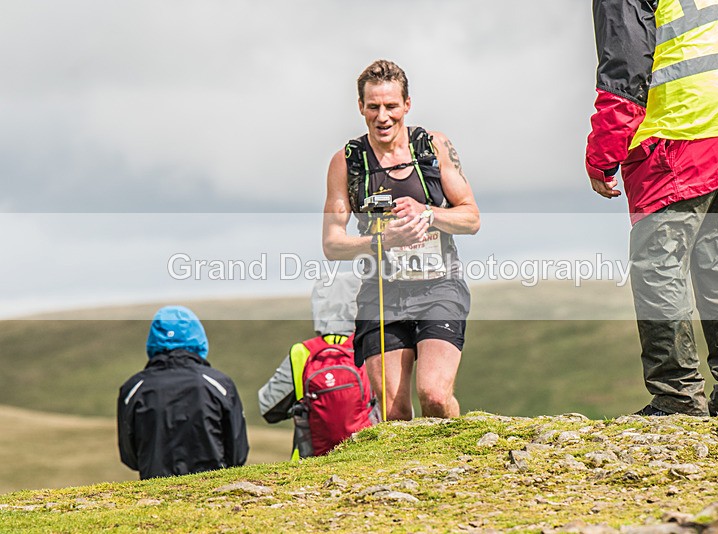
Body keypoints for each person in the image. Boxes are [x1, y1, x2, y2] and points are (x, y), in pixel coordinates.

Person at [586, 0, 718, 416]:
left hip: (680, 128)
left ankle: (677, 399)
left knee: (659, 268)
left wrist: (602, 154)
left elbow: (624, 71)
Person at [322, 59, 480, 421]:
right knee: (395, 413)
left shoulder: (433, 147)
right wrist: (381, 242)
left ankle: (459, 462)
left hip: (440, 287)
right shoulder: (347, 163)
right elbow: (332, 243)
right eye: (373, 106)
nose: (383, 116)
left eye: (391, 106)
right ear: (360, 107)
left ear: (407, 105)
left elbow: (471, 218)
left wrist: (428, 214)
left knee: (435, 396)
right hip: (382, 293)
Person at [117, 305, 249, 479]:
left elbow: (130, 457)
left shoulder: (134, 388)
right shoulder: (219, 385)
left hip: (154, 494)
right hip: (212, 492)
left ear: (153, 340)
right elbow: (238, 454)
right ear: (198, 337)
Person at [258, 272, 377, 460]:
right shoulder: (371, 344)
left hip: (311, 460)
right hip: (368, 457)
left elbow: (267, 406)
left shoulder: (302, 352)